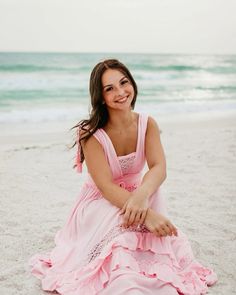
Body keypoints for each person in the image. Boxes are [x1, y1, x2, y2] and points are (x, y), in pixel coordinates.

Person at [29, 59, 217, 294]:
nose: (120, 92)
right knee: (119, 232)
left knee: (155, 189)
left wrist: (141, 196)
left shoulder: (147, 123)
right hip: (101, 201)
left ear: (132, 83)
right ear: (101, 97)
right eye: (109, 89)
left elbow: (159, 167)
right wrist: (145, 215)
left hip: (136, 195)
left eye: (123, 82)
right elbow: (106, 186)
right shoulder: (90, 134)